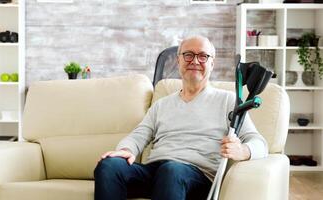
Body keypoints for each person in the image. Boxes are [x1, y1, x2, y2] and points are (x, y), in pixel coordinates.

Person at [94, 35, 268, 200]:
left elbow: (260, 143)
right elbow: (139, 135)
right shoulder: (161, 105)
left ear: (212, 63)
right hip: (156, 171)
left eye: (203, 56)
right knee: (109, 165)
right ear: (178, 61)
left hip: (196, 177)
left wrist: (242, 151)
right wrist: (126, 151)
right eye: (188, 55)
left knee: (172, 170)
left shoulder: (228, 101)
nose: (195, 61)